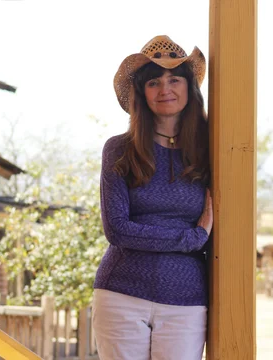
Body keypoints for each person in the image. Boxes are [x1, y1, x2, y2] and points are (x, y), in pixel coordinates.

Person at [92, 35, 214, 360]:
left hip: (186, 300)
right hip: (121, 293)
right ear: (140, 92)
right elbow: (117, 229)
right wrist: (192, 238)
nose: (165, 89)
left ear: (189, 87)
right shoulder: (119, 149)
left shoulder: (208, 151)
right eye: (154, 82)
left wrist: (198, 238)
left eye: (174, 79)